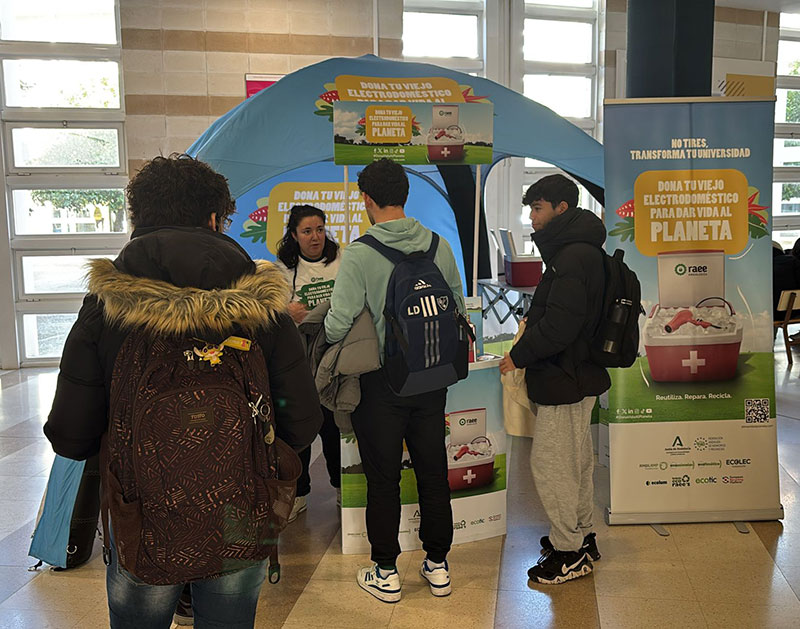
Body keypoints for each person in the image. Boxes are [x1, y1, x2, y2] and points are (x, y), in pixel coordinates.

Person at [43, 154, 323, 629]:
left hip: (142, 509)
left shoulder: (104, 306)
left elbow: (70, 434)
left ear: (140, 219)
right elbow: (302, 420)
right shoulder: (262, 306)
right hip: (240, 504)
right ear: (214, 218)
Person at [324, 158, 465, 603]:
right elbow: (458, 307)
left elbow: (338, 322)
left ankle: (385, 572)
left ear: (367, 199)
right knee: (433, 471)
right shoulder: (439, 245)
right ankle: (438, 565)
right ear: (405, 194)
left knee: (382, 478)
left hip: (383, 384)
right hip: (433, 375)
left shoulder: (361, 252)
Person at [499, 174, 610, 585]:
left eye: (538, 207)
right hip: (580, 374)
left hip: (565, 375)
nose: (532, 216)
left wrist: (518, 355)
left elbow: (561, 327)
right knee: (576, 461)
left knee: (552, 464)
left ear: (562, 208)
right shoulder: (580, 251)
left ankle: (569, 554)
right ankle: (582, 536)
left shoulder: (571, 257)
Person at [275, 204, 343, 520]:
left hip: (331, 356)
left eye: (319, 229)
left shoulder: (340, 261)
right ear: (294, 235)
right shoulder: (282, 269)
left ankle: (344, 488)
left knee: (332, 425)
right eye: (307, 231)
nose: (315, 237)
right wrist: (285, 311)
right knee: (298, 427)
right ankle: (298, 493)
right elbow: (268, 311)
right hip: (297, 359)